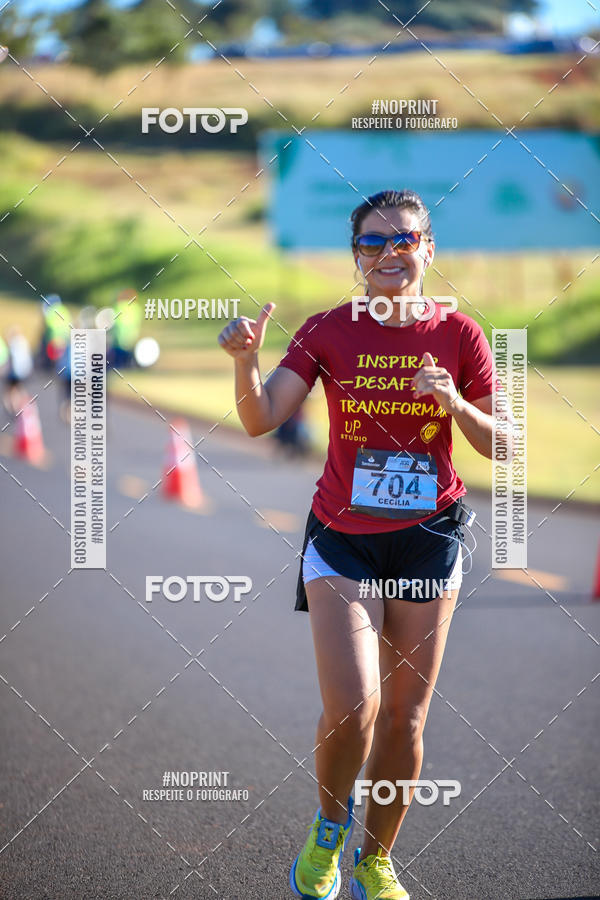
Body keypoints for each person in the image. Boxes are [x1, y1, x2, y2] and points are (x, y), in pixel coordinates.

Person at [217, 189, 509, 900]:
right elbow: (261, 419)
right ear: (355, 256)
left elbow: (502, 443)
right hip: (343, 537)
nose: (387, 253)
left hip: (428, 540)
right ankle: (328, 828)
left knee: (406, 719)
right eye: (371, 243)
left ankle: (376, 861)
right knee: (354, 708)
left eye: (402, 239)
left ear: (428, 249)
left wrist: (456, 404)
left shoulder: (463, 336)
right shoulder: (327, 330)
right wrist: (245, 362)